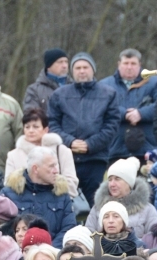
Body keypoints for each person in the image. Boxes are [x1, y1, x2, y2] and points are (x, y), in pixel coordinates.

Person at [49, 52, 121, 206]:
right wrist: (70, 142)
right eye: (77, 68)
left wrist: (90, 145)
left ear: (93, 70)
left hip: (96, 159)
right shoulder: (59, 95)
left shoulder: (108, 94)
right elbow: (53, 124)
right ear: (72, 71)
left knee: (97, 205)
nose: (82, 71)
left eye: (85, 67)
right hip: (66, 159)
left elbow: (111, 125)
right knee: (63, 203)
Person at [1, 146, 76, 247]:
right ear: (35, 169)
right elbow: (1, 229)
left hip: (52, 256)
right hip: (17, 257)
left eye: (56, 165)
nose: (56, 171)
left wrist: (48, 251)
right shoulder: (9, 193)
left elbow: (69, 228)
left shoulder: (61, 194)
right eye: (51, 166)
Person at [100, 48, 157, 164]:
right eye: (126, 63)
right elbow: (101, 108)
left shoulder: (154, 82)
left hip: (148, 151)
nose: (129, 67)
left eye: (133, 63)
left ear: (140, 65)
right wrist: (125, 114)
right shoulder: (104, 86)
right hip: (115, 150)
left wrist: (141, 114)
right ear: (119, 64)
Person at [5, 108, 79, 197]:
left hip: (57, 204)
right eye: (27, 127)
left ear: (46, 130)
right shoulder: (13, 155)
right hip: (25, 205)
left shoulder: (62, 151)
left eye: (35, 127)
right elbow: (8, 185)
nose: (31, 130)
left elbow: (72, 183)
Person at [84, 156, 157, 237]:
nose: (112, 184)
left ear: (129, 183)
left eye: (117, 179)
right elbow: (87, 236)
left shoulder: (147, 210)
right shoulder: (97, 208)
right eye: (110, 179)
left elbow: (154, 240)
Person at [23, 48, 70, 112]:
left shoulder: (76, 87)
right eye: (60, 62)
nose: (64, 66)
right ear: (49, 65)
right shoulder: (34, 90)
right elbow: (32, 117)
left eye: (66, 62)